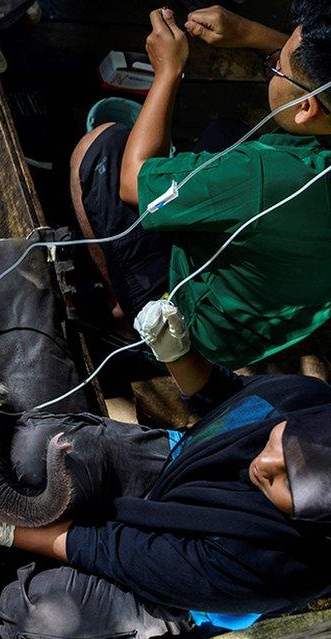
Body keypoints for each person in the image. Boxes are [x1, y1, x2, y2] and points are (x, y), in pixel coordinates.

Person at [0, 299, 331, 639]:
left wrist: (7, 533)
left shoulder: (276, 568)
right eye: (283, 442)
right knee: (34, 449)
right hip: (176, 466)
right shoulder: (308, 400)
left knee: (47, 611)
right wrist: (177, 352)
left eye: (288, 482)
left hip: (183, 584)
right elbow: (228, 397)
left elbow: (116, 549)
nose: (264, 463)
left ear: (313, 521)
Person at [70, 2, 331, 369]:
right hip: (283, 299)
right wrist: (248, 33)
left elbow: (133, 182)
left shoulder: (259, 176)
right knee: (221, 133)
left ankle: (129, 318)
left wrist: (168, 70)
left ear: (308, 108)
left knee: (100, 148)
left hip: (201, 330)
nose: (274, 68)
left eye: (279, 68)